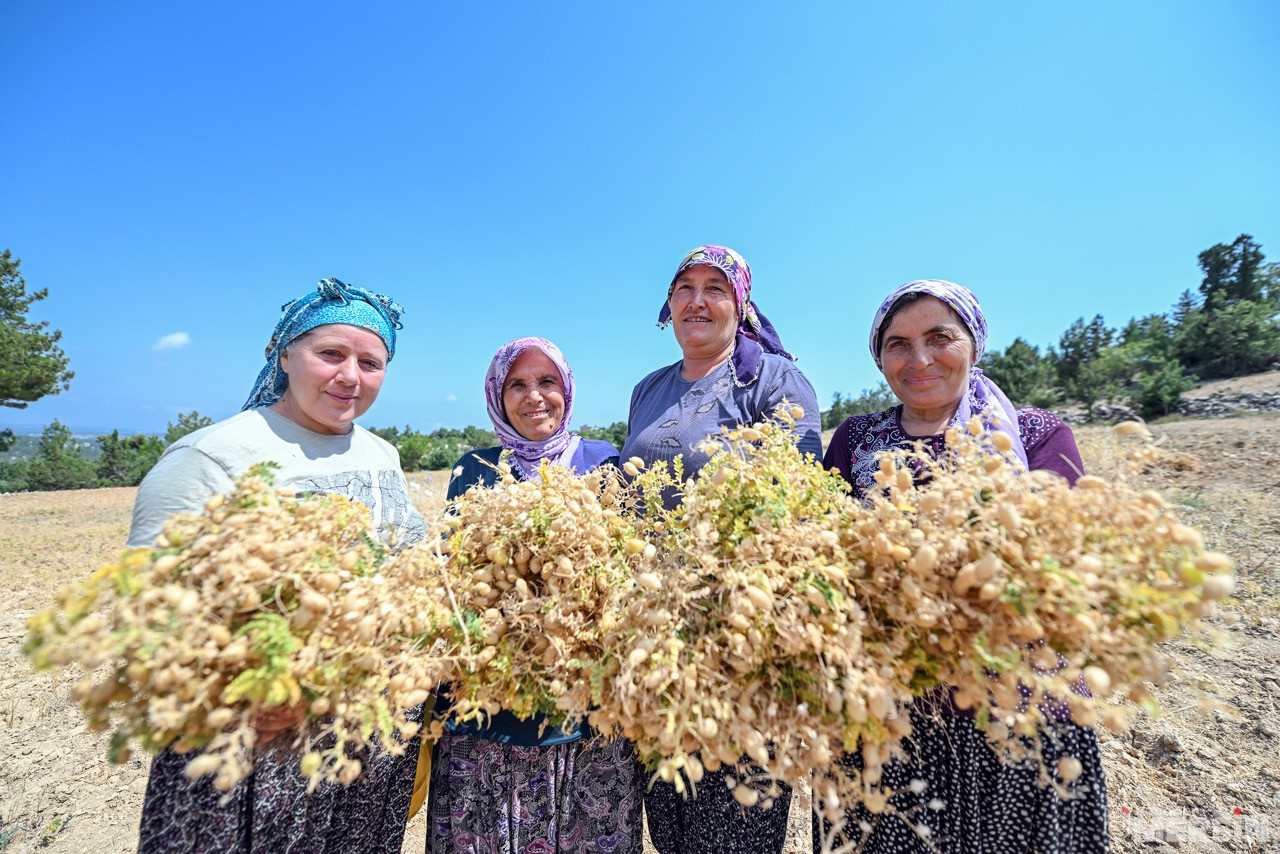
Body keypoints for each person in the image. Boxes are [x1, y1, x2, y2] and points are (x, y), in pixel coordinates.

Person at [129, 277, 428, 854]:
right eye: (331, 355)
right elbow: (150, 609)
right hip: (261, 751)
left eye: (371, 362)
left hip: (371, 736)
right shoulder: (214, 456)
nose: (351, 377)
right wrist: (259, 689)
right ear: (285, 352)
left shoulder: (381, 454)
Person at [817, 279, 1109, 853]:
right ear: (879, 358)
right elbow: (823, 555)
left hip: (1014, 711)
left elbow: (1059, 572)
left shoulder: (1036, 435)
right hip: (888, 715)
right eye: (897, 344)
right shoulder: (854, 439)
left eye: (939, 337)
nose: (919, 359)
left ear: (973, 343)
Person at [619, 245, 822, 854]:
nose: (698, 300)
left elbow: (795, 500)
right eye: (685, 287)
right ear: (669, 305)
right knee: (672, 820)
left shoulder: (774, 380)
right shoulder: (647, 390)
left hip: (741, 636)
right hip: (656, 634)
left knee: (733, 818)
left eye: (716, 287)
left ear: (741, 303)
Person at [426, 336, 644, 854]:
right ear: (498, 397)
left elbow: (630, 572)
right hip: (490, 714)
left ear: (566, 388)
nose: (534, 397)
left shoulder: (606, 462)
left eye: (547, 381)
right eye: (517, 384)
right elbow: (455, 578)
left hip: (586, 716)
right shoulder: (474, 470)